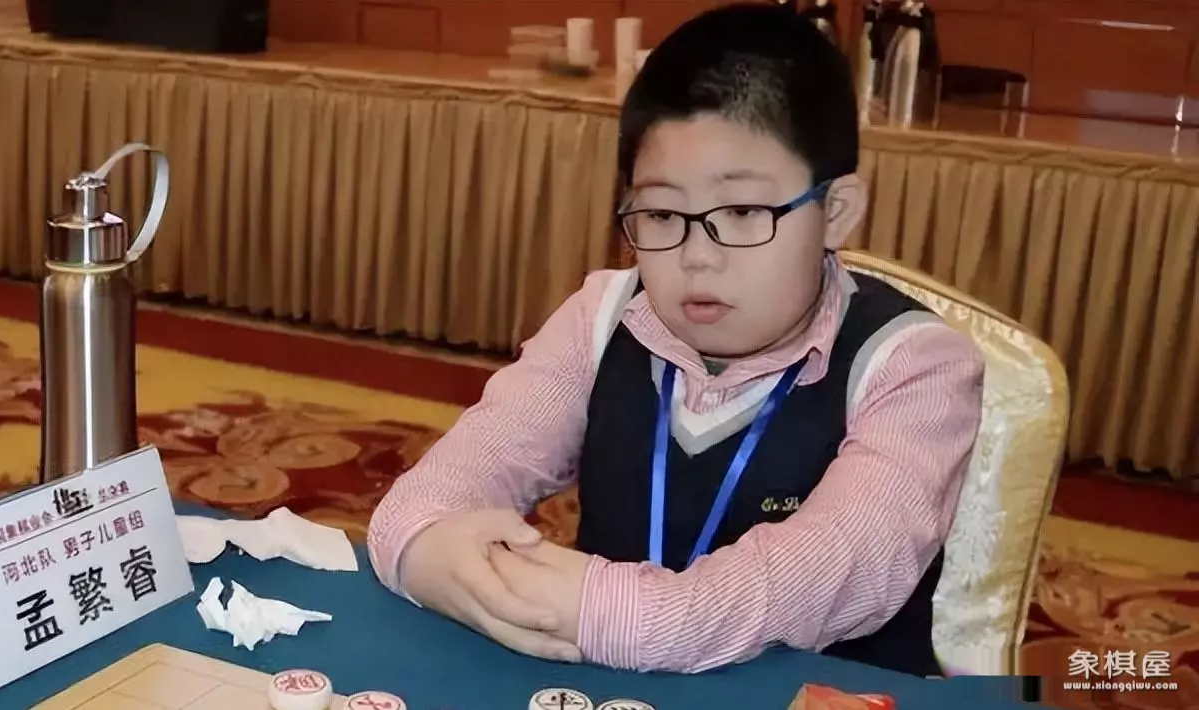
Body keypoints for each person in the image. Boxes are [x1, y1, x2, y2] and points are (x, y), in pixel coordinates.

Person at [366, 2, 984, 677]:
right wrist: (424, 545)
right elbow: (431, 498)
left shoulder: (915, 366)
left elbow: (830, 573)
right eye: (662, 213)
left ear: (835, 211)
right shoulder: (601, 316)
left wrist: (612, 613)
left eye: (743, 211)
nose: (697, 256)